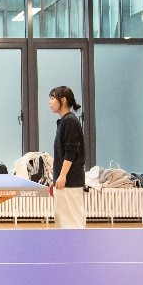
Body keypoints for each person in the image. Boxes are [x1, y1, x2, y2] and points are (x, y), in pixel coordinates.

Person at [49, 85, 86, 229]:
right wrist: (56, 178)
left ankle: (77, 245)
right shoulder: (64, 121)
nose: (50, 102)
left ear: (63, 100)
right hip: (63, 182)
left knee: (72, 224)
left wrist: (63, 175)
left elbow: (71, 151)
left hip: (70, 182)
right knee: (63, 223)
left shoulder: (70, 121)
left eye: (53, 98)